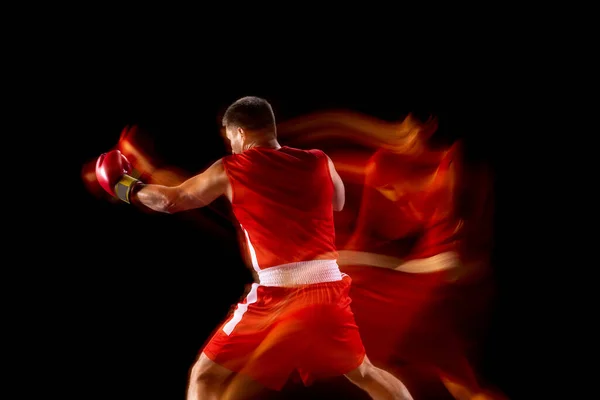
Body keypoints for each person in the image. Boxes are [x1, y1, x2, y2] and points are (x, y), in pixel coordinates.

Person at [94, 96, 414, 400]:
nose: (231, 145)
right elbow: (339, 202)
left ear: (241, 133)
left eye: (231, 138)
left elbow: (169, 200)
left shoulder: (232, 167)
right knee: (366, 373)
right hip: (326, 289)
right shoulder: (319, 160)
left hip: (276, 297)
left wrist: (125, 186)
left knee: (205, 377)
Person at [335, 112, 505, 400]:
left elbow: (462, 233)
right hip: (437, 282)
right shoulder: (387, 163)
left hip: (436, 282)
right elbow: (368, 233)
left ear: (430, 126)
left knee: (365, 353)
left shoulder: (457, 161)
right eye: (396, 129)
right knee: (459, 382)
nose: (400, 136)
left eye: (408, 128)